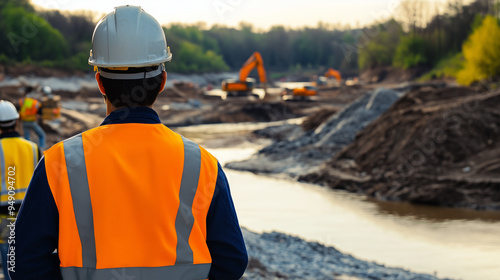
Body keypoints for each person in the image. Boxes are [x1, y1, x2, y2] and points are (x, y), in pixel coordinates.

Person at [11, 5, 248, 280]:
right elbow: (232, 260)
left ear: (100, 82)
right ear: (162, 82)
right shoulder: (203, 164)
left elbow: (21, 262)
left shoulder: (58, 163)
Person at [0, 100, 41, 280]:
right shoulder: (33, 148)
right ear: (17, 121)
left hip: (4, 213)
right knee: (30, 259)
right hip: (29, 212)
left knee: (9, 259)